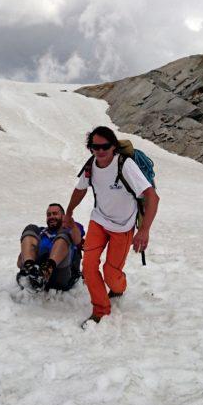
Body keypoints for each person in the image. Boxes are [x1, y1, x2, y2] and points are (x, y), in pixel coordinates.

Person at [65, 126, 159, 324]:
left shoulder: (125, 165)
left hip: (123, 227)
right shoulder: (91, 165)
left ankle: (118, 287)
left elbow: (152, 197)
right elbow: (80, 189)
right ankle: (100, 310)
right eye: (94, 147)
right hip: (98, 221)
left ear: (113, 146)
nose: (99, 151)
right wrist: (69, 212)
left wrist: (144, 231)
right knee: (89, 267)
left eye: (104, 146)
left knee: (111, 273)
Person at [17, 203, 85, 291]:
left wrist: (72, 225)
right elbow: (19, 263)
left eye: (55, 214)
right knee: (31, 228)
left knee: (64, 233)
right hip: (37, 270)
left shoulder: (71, 228)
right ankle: (30, 268)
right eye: (49, 215)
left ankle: (47, 270)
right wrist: (25, 255)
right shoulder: (40, 232)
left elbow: (77, 240)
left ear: (63, 216)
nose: (51, 217)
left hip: (60, 274)